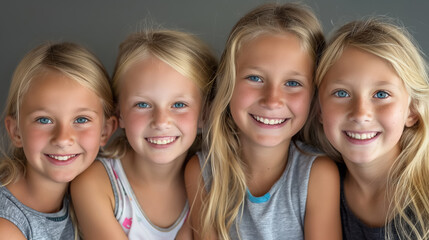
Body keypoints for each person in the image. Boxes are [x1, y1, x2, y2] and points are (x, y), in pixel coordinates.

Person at [185, 3, 341, 240]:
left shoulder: (318, 175)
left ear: (314, 95)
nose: (272, 100)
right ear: (228, 83)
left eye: (293, 83)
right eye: (255, 78)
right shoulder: (203, 172)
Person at [70, 29, 217, 240]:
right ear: (119, 113)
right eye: (143, 104)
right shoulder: (96, 183)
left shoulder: (214, 177)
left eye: (179, 104)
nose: (160, 121)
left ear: (204, 113)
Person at [304, 18, 429, 239]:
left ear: (412, 111)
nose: (361, 114)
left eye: (381, 94)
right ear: (320, 110)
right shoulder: (315, 188)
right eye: (342, 93)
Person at [0, 42, 117, 240]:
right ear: (16, 131)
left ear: (105, 131)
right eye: (44, 120)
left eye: (81, 120)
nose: (63, 139)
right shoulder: (6, 226)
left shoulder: (96, 196)